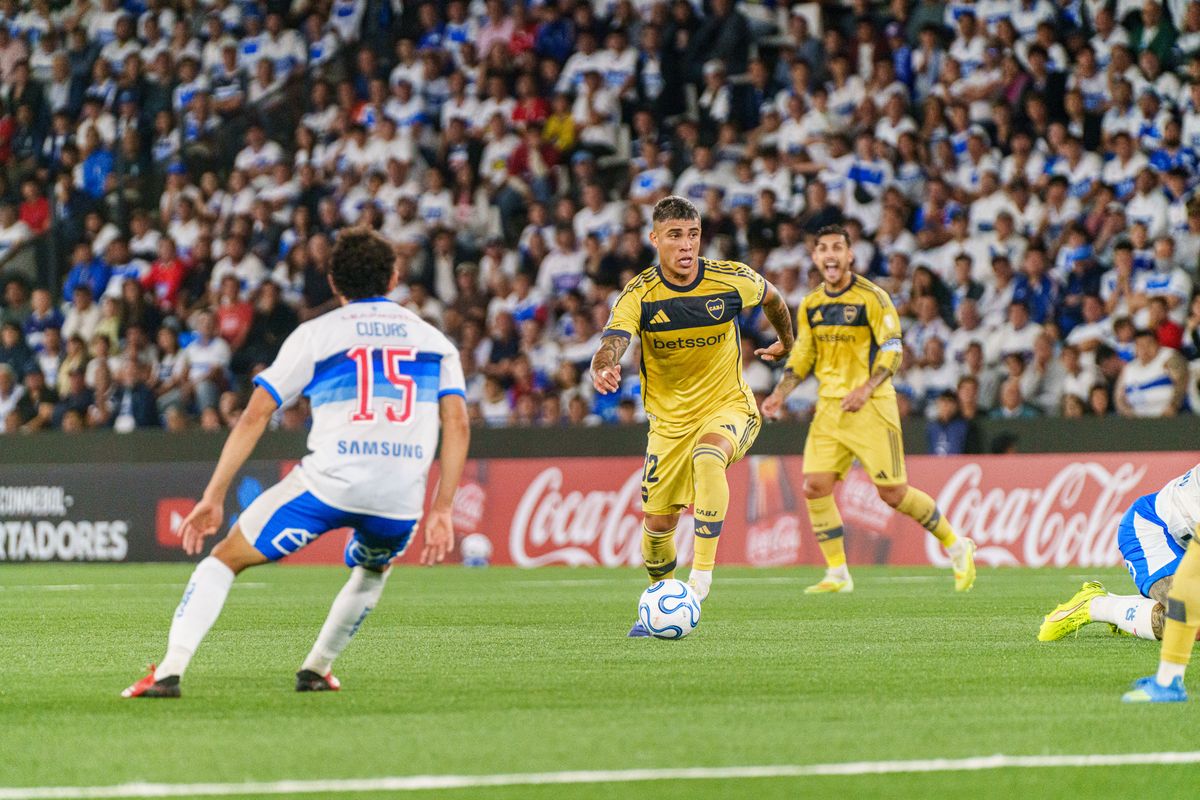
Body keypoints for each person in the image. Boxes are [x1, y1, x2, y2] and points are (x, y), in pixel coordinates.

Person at [123, 228, 471, 698]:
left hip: (328, 484)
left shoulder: (317, 334)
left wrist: (213, 494)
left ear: (333, 282)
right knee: (373, 571)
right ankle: (317, 669)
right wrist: (442, 508)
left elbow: (255, 414)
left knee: (224, 559)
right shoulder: (435, 341)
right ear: (393, 278)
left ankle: (169, 671)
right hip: (399, 496)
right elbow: (458, 424)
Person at [590, 195, 794, 635]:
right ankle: (662, 601)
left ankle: (699, 582)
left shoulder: (730, 279)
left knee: (708, 456)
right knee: (657, 527)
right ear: (655, 239)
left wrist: (787, 342)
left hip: (729, 406)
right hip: (668, 426)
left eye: (694, 235)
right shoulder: (640, 294)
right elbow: (614, 339)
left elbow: (774, 299)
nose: (686, 245)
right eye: (675, 236)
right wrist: (603, 363)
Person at [762, 224, 976, 594]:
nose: (830, 255)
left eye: (837, 248)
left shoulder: (873, 298)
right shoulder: (811, 304)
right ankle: (837, 573)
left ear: (850, 256)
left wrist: (867, 388)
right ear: (815, 257)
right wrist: (780, 393)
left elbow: (893, 347)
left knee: (892, 494)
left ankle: (957, 545)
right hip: (830, 408)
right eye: (823, 248)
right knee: (815, 486)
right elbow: (804, 353)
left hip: (871, 406)